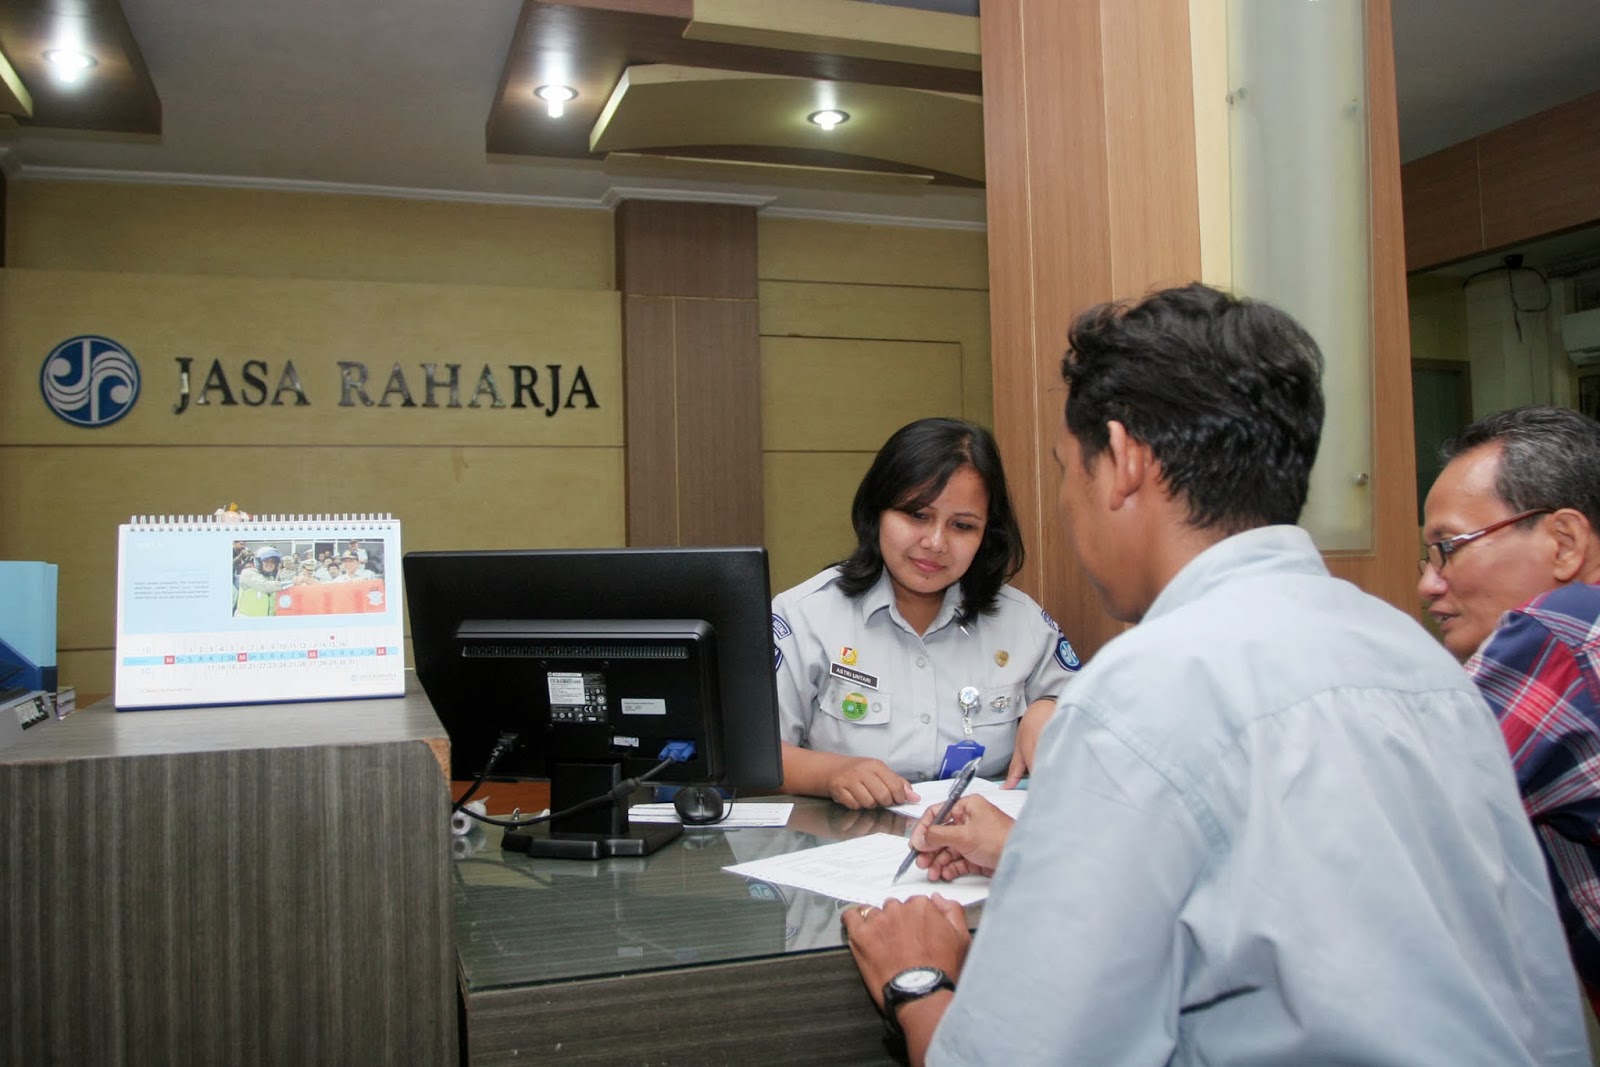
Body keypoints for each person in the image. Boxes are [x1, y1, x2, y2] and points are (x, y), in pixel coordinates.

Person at [842, 284, 1586, 1064]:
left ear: (1122, 461)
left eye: (1067, 468)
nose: (1064, 502)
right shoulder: (1424, 664)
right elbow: (1539, 994)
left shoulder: (1138, 694)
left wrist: (919, 983)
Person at [770, 417, 1080, 809]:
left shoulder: (1023, 623)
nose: (935, 543)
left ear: (986, 534)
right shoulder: (803, 617)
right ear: (877, 512)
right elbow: (754, 755)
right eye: (917, 515)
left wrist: (1048, 707)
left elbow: (1090, 720)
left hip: (980, 842)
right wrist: (830, 774)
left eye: (962, 526)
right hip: (841, 839)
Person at [1418, 404, 1600, 1012]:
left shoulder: (1562, 631)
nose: (1428, 584)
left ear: (1565, 542)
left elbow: (1400, 820)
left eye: (1448, 548)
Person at [234, 545, 290, 617]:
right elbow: (264, 586)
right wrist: (293, 582)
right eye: (266, 561)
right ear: (258, 562)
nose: (270, 564)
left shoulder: (271, 579)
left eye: (273, 562)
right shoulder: (248, 573)